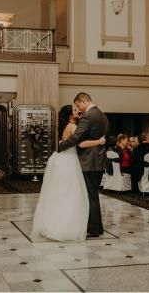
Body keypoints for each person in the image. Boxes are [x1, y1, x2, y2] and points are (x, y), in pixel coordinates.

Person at [31, 104, 106, 241]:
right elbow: (81, 144)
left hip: (63, 160)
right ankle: (69, 226)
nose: (78, 112)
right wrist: (99, 141)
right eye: (75, 110)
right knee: (72, 194)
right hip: (70, 161)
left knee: (62, 194)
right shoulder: (72, 127)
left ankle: (56, 224)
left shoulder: (65, 127)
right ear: (70, 115)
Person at [58, 93, 109, 238]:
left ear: (84, 101)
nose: (79, 109)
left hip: (89, 161)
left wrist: (59, 147)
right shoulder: (102, 115)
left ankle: (93, 229)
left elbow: (77, 138)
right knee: (93, 195)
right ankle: (97, 227)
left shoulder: (88, 116)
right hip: (99, 160)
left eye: (78, 105)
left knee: (90, 195)